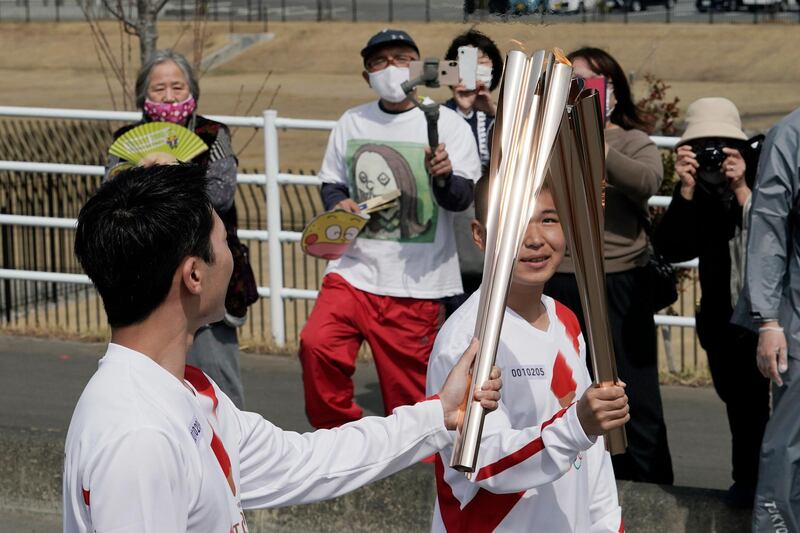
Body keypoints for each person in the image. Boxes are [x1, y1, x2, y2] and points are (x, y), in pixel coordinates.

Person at [63, 164, 502, 532]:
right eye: (225, 242)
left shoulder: (188, 393)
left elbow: (307, 462)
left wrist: (437, 413)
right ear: (193, 275)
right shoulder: (139, 436)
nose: (236, 254)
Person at [299, 29, 482, 429]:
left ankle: (412, 471)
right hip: (353, 271)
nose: (390, 68)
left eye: (401, 58)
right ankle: (338, 438)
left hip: (418, 284)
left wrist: (444, 176)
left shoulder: (445, 122)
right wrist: (337, 204)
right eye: (378, 62)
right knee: (316, 345)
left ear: (418, 65)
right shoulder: (351, 121)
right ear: (366, 76)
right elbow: (333, 181)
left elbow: (460, 199)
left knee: (410, 400)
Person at [427, 176, 628, 532]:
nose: (535, 238)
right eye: (515, 222)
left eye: (548, 219)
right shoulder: (468, 341)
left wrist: (607, 525)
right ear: (480, 235)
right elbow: (485, 461)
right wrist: (577, 424)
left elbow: (591, 453)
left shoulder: (566, 322)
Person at [543, 47, 673, 485]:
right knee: (563, 387)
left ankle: (647, 484)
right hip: (559, 280)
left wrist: (594, 137)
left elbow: (648, 182)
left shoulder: (632, 140)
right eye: (574, 82)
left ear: (615, 89)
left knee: (632, 390)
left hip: (621, 281)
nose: (587, 90)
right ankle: (574, 479)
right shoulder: (546, 138)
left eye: (597, 83)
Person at [105, 49, 253, 409]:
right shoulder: (126, 140)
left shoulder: (212, 134)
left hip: (204, 266)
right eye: (159, 88)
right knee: (151, 377)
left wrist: (174, 173)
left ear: (192, 90)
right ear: (143, 94)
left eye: (177, 86)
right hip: (147, 275)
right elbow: (110, 196)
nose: (169, 95)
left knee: (217, 381)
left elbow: (221, 194)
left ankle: (231, 457)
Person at [652, 97, 769, 508]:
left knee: (764, 406)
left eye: (720, 144)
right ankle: (748, 481)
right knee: (739, 402)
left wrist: (741, 187)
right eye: (703, 145)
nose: (712, 153)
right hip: (721, 315)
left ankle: (758, 485)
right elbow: (671, 248)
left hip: (764, 311)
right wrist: (683, 190)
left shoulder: (760, 174)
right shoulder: (696, 186)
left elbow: (767, 235)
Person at [742, 106, 800, 530]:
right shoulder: (791, 134)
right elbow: (768, 224)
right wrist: (768, 321)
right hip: (796, 318)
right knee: (789, 448)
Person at [441, 29, 504, 316]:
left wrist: (495, 113)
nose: (474, 72)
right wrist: (461, 112)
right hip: (451, 238)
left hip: (499, 229)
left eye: (483, 63)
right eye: (464, 63)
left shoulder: (507, 115)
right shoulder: (437, 115)